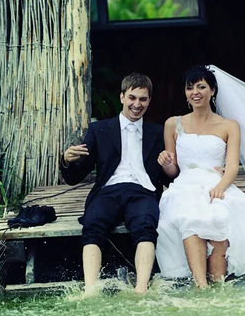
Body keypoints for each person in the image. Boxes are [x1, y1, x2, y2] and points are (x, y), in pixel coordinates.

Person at [156, 65, 245, 287]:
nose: (195, 92)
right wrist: (167, 163)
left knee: (220, 218)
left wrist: (220, 186)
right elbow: (173, 172)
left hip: (216, 182)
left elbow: (231, 167)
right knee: (190, 217)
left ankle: (218, 288)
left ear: (213, 90)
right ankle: (202, 287)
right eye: (190, 88)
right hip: (185, 185)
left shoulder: (230, 125)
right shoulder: (173, 123)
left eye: (201, 86)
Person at [60, 73, 170, 295]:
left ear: (149, 101)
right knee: (93, 224)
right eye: (132, 97)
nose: (137, 104)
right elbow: (74, 177)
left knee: (146, 225)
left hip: (143, 191)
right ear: (121, 97)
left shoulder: (157, 132)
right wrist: (66, 161)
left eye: (143, 99)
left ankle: (141, 290)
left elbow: (168, 178)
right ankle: (91, 290)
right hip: (108, 191)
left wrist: (167, 164)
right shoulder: (99, 130)